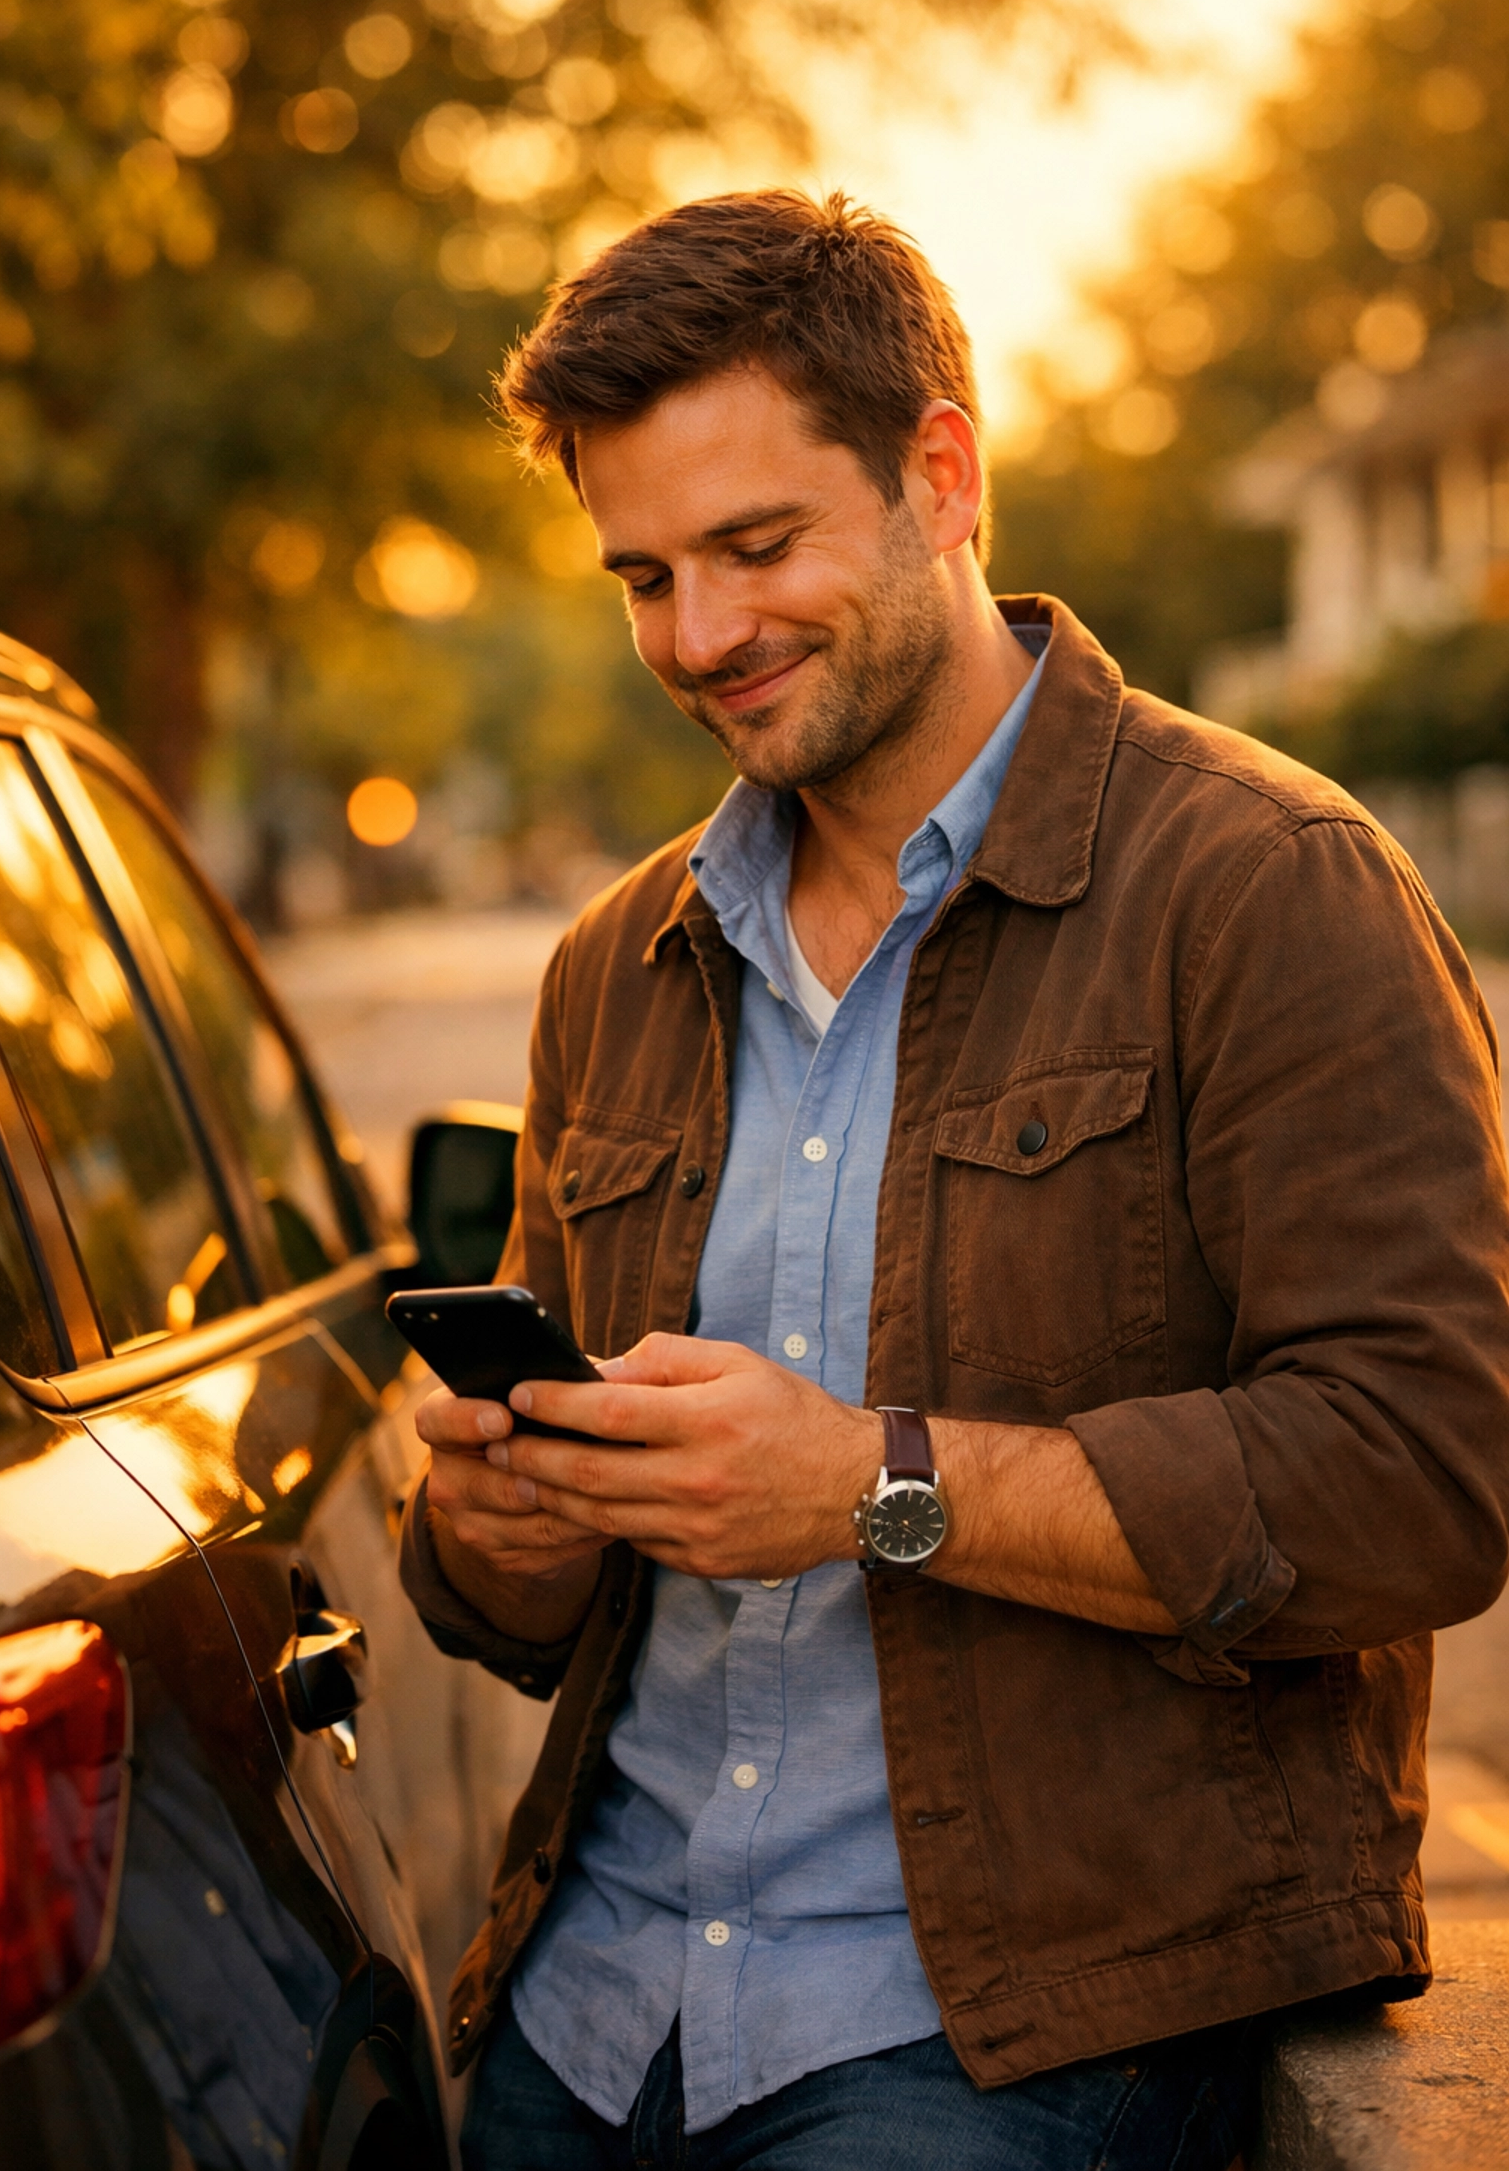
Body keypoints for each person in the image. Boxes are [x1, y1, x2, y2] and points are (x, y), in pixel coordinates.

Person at [400, 189, 1509, 2171]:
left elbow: (1426, 1480)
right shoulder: (615, 966)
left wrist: (872, 1485)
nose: (701, 638)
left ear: (943, 474)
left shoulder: (1270, 887)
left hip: (1009, 2042)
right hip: (579, 2009)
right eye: (643, 576)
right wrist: (508, 1516)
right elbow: (519, 1611)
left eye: (756, 547)